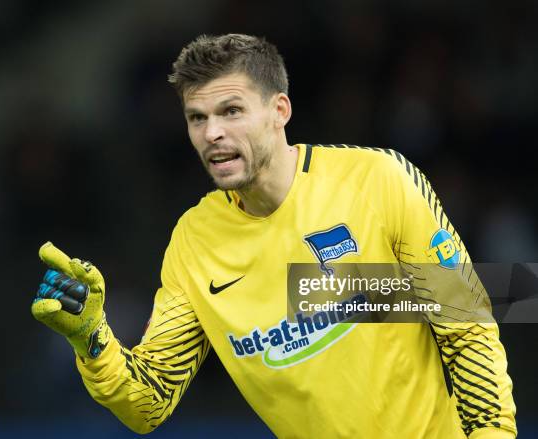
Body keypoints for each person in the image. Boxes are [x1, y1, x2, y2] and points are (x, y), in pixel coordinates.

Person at [31, 34, 516, 438]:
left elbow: (464, 322)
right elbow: (149, 402)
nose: (212, 133)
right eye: (197, 118)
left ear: (279, 110)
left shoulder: (378, 179)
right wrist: (93, 340)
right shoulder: (194, 242)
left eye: (231, 111)